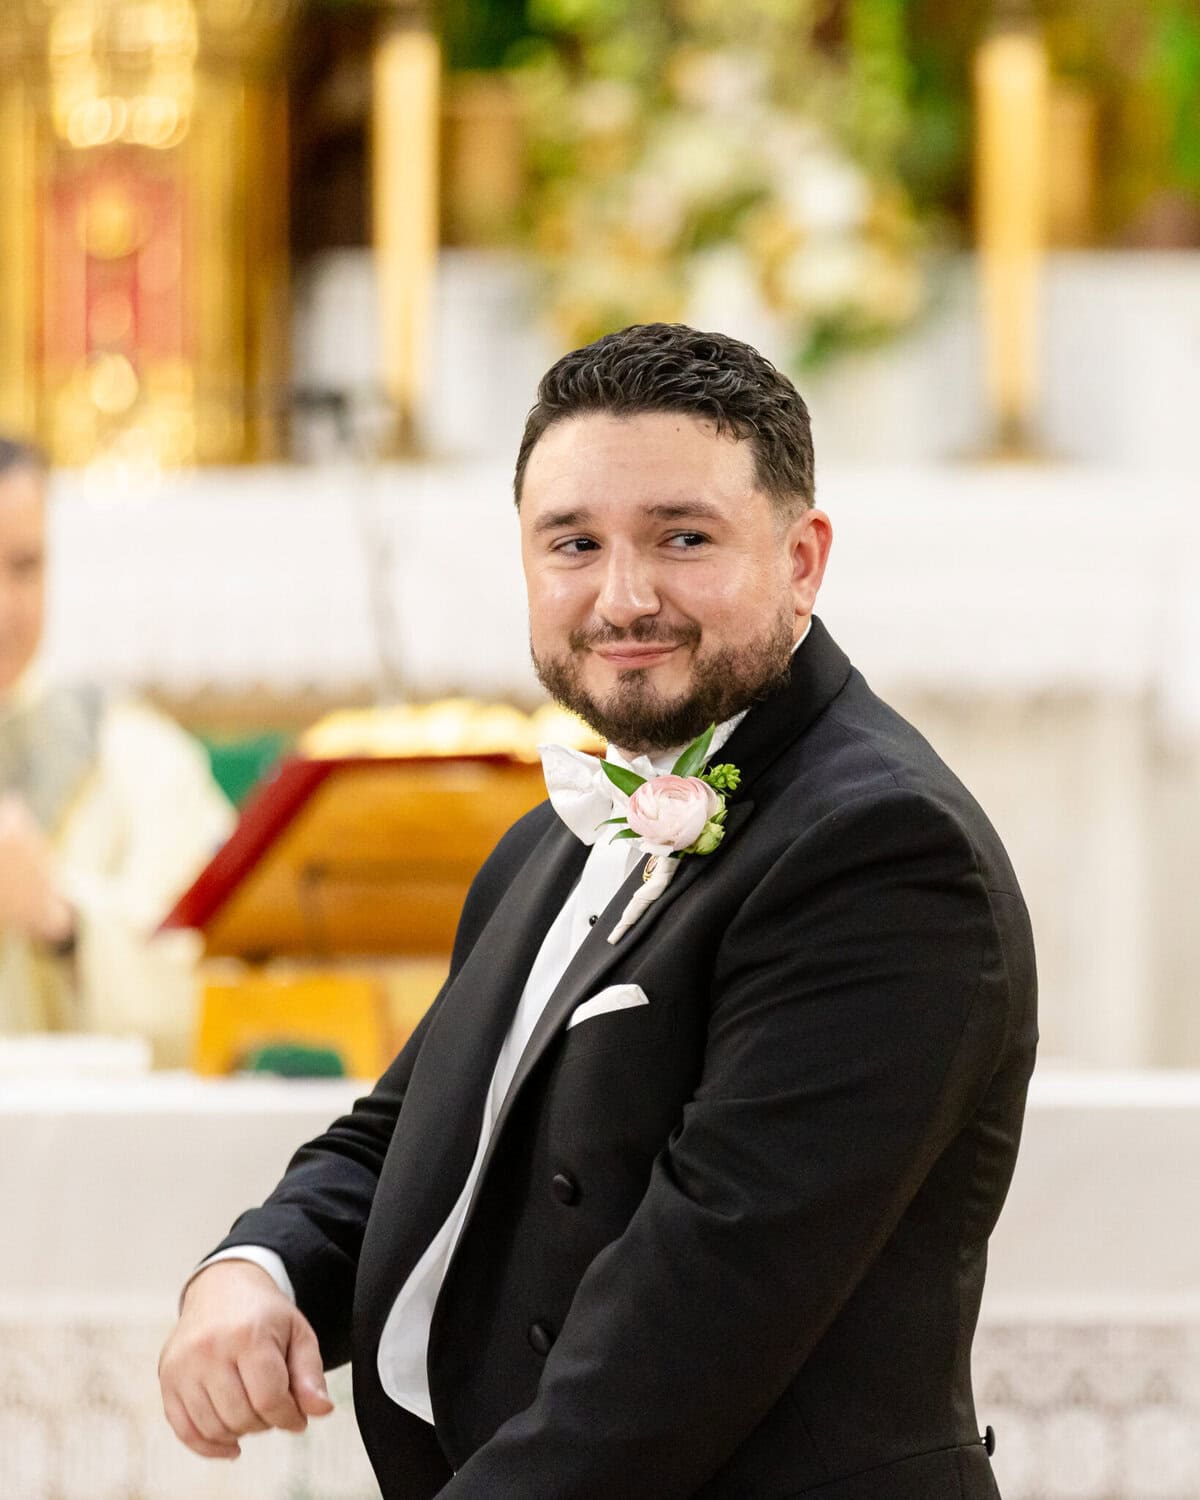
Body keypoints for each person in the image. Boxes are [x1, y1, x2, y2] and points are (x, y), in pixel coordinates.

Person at [159, 325, 1037, 1499]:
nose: (624, 597)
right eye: (574, 543)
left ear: (802, 559)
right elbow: (407, 1137)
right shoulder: (556, 830)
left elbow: (688, 1337)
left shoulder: (882, 855)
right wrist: (256, 1270)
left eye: (683, 538)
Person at [0, 437, 235, 1052]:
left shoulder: (141, 759)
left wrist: (65, 920)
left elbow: (213, 975)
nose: (3, 608)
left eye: (24, 567)